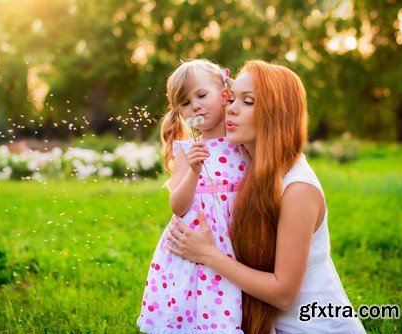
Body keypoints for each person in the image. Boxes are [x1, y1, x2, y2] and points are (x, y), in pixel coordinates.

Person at [167, 60, 366, 334]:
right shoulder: (248, 168)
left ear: (275, 114)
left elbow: (284, 294)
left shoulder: (297, 189)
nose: (231, 108)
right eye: (232, 97)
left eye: (248, 102)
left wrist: (209, 255)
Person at [137, 59, 247, 333]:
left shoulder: (243, 143)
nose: (195, 106)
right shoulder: (187, 150)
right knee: (199, 310)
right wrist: (194, 172)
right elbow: (178, 206)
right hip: (194, 247)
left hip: (235, 241)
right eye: (185, 103)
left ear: (225, 93)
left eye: (201, 95)